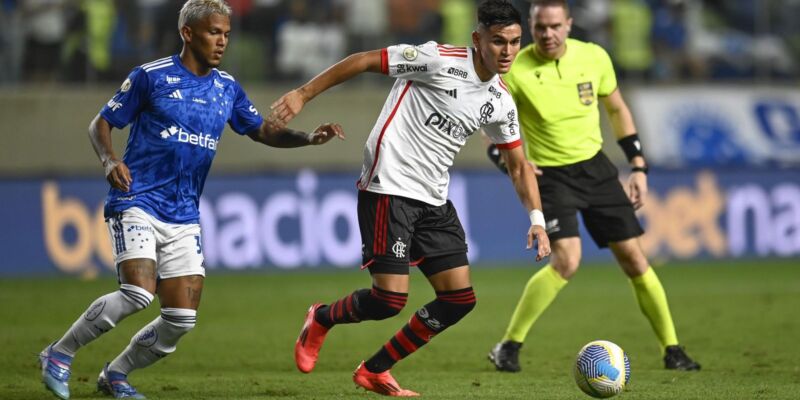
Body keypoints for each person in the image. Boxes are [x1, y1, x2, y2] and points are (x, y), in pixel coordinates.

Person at [37, 1, 343, 399]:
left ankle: (116, 375)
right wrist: (110, 160)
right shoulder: (151, 77)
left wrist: (308, 138)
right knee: (137, 293)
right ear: (188, 33)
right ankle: (59, 353)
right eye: (214, 32)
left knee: (180, 319)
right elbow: (101, 124)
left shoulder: (226, 88)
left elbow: (261, 130)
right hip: (137, 199)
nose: (222, 41)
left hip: (183, 214)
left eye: (226, 34)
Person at [271, 0, 550, 396]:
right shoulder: (437, 60)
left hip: (433, 197)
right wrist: (303, 94)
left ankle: (375, 370)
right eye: (498, 41)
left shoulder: (501, 101)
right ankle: (322, 318)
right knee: (389, 299)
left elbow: (519, 166)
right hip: (390, 185)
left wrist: (537, 220)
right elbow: (363, 60)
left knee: (458, 299)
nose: (507, 51)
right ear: (477, 39)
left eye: (515, 42)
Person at [486, 0, 701, 373]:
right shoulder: (514, 70)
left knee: (635, 259)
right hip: (550, 176)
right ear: (531, 27)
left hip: (596, 169)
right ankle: (509, 345)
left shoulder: (594, 57)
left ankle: (672, 349)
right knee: (567, 260)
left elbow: (617, 109)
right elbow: (492, 133)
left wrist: (638, 165)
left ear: (569, 24)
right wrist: (510, 164)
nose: (548, 34)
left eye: (555, 26)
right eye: (540, 27)